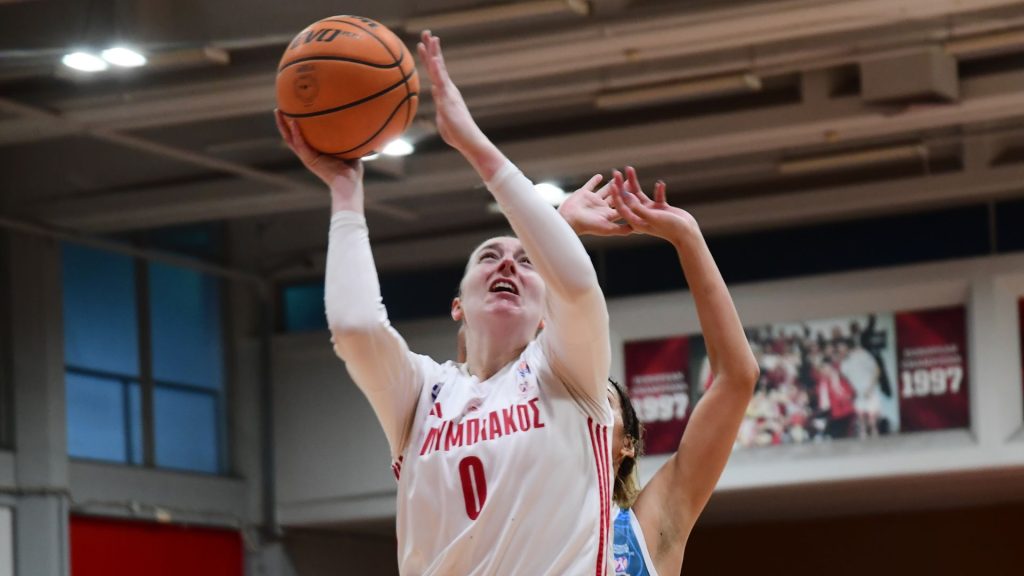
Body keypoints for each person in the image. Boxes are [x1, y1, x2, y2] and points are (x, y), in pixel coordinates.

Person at [277, 31, 617, 575]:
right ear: (457, 305)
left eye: (526, 261)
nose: (507, 263)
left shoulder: (568, 371)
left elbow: (577, 286)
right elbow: (357, 327)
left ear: (546, 308)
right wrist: (345, 192)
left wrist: (472, 144)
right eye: (488, 256)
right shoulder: (424, 395)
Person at [557, 168, 760, 576]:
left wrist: (687, 236)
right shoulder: (516, 520)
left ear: (627, 444)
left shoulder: (646, 528)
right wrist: (558, 233)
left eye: (601, 403)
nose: (588, 413)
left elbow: (736, 379)